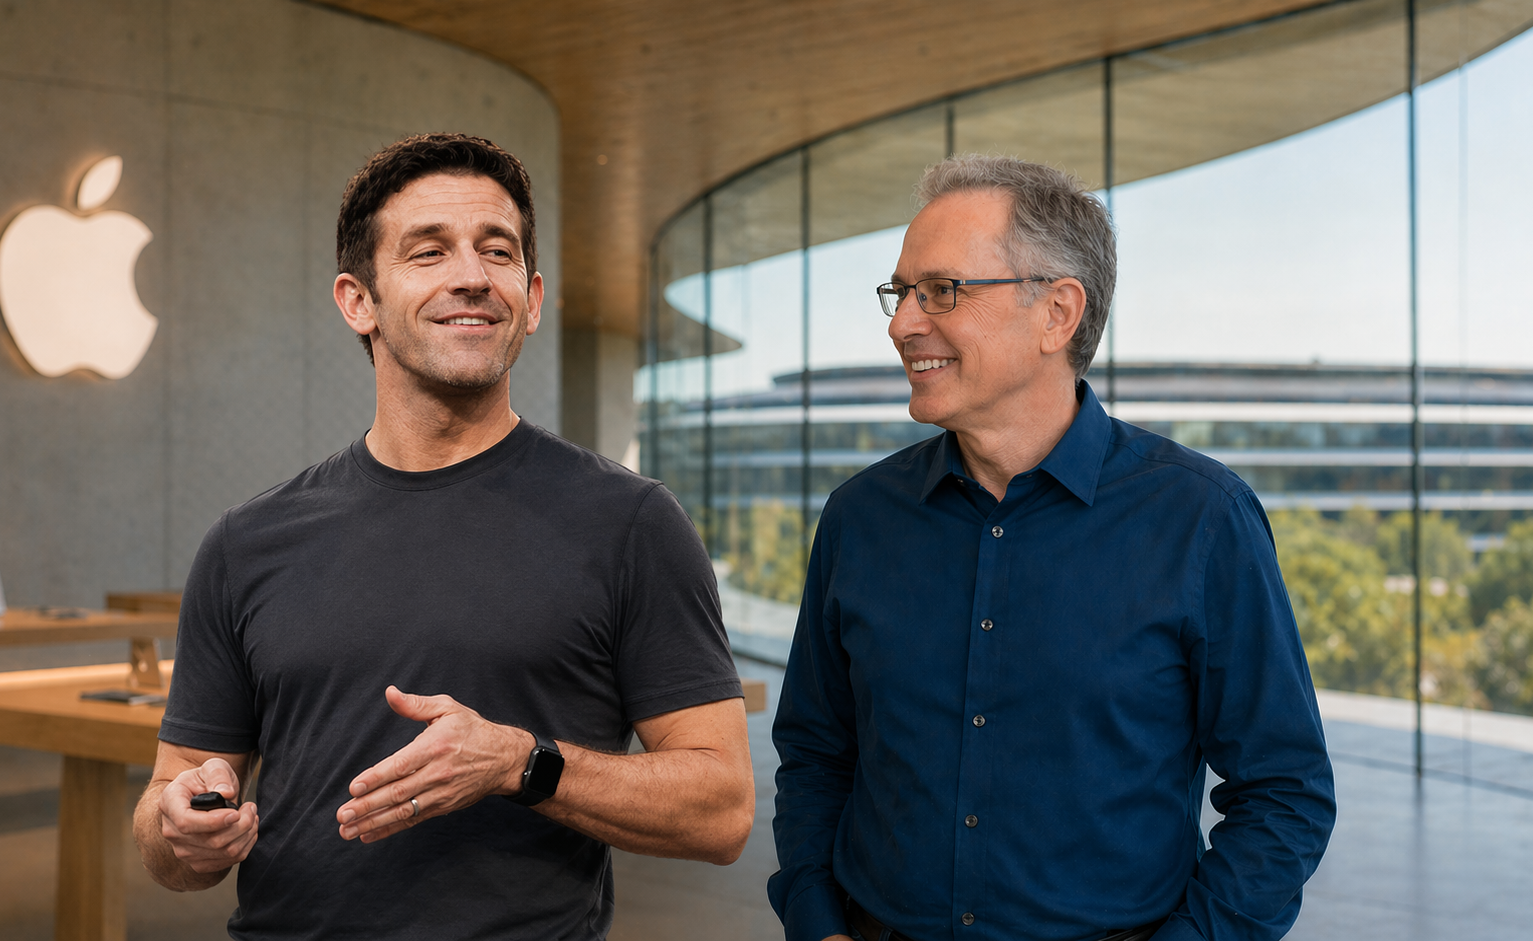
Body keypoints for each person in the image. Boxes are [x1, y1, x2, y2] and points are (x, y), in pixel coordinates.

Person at [133, 133, 754, 940]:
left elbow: (724, 807)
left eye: (496, 251)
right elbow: (167, 822)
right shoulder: (246, 541)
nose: (471, 274)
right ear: (359, 300)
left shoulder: (630, 523)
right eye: (428, 252)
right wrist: (180, 826)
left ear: (530, 299)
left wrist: (519, 763)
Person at [768, 155, 1335, 941]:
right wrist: (816, 919)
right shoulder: (858, 519)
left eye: (941, 290)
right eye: (900, 294)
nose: (902, 323)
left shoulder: (1203, 518)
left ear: (1057, 314)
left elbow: (1285, 793)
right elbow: (814, 755)